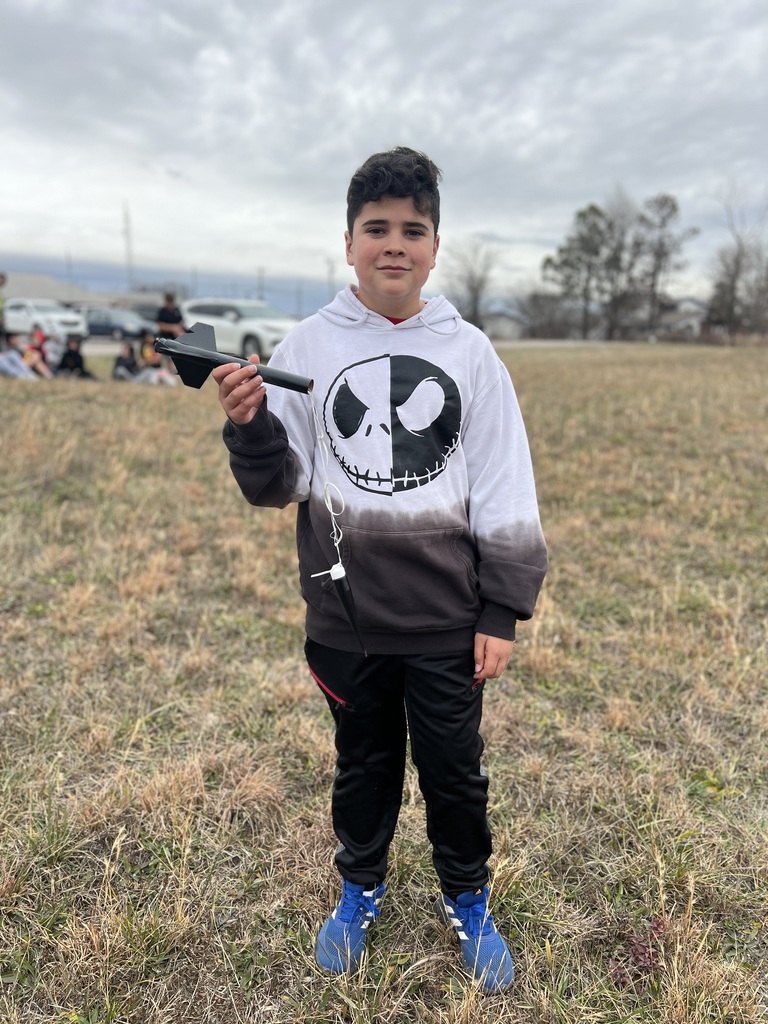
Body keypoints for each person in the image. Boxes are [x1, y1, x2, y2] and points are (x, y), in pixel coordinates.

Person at [212, 147, 548, 992]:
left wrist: (500, 609)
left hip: (447, 622)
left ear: (435, 247)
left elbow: (505, 482)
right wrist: (251, 428)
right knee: (362, 764)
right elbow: (279, 482)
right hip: (347, 620)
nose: (393, 244)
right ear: (349, 242)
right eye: (376, 228)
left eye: (412, 230)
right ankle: (359, 885)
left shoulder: (471, 354)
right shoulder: (309, 345)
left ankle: (467, 896)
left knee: (453, 771)